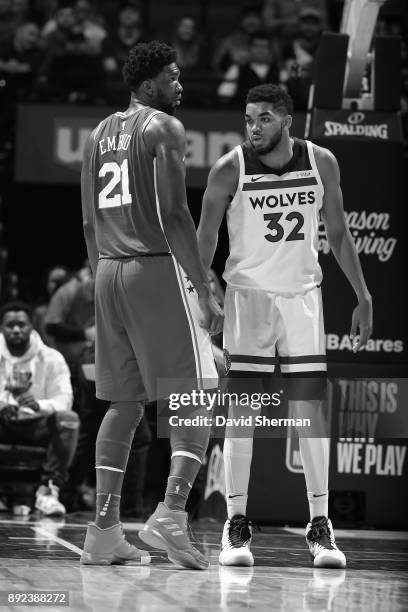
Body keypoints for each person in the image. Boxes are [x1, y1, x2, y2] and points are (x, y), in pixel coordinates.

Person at [197, 84, 373, 568]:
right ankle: (236, 527)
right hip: (247, 299)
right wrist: (201, 292)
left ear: (287, 121)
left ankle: (321, 526)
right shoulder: (229, 166)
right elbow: (205, 235)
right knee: (244, 414)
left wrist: (363, 293)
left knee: (310, 412)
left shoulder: (322, 161)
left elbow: (337, 232)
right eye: (249, 118)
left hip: (302, 299)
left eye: (264, 119)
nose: (253, 127)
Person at [80, 40, 222, 569]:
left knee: (124, 404)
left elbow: (90, 222)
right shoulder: (164, 128)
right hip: (154, 266)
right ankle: (172, 513)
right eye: (172, 77)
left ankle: (104, 532)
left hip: (109, 271)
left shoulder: (97, 134)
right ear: (146, 86)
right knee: (197, 389)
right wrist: (202, 285)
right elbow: (175, 214)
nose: (180, 85)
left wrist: (105, 280)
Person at [0, 301, 77, 515]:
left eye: (21, 324)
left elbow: (64, 400)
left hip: (37, 426)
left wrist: (38, 405)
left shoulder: (52, 358)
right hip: (3, 424)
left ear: (32, 326)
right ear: (2, 328)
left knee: (68, 419)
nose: (16, 329)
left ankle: (48, 491)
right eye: (10, 325)